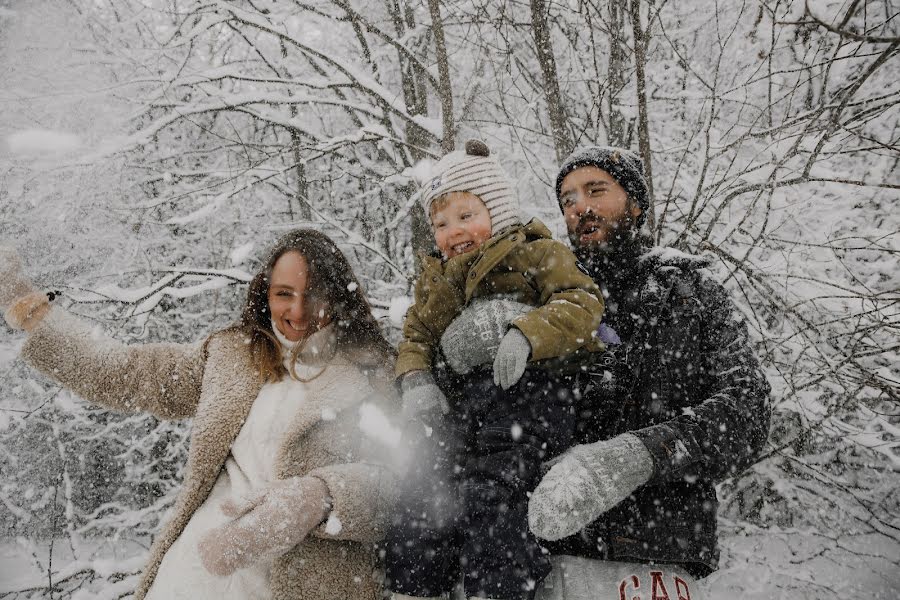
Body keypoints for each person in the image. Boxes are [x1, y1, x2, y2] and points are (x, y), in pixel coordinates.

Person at [439, 147, 772, 599]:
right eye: (568, 200)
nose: (581, 208)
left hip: (653, 561)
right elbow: (470, 423)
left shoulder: (691, 293)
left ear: (635, 203)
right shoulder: (542, 296)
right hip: (535, 563)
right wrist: (458, 354)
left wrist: (634, 458)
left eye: (596, 191)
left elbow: (747, 411)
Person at [0, 229, 399, 600]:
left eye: (314, 294)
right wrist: (27, 307)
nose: (298, 310)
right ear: (266, 293)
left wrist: (321, 498)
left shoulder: (377, 374)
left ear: (339, 295)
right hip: (192, 577)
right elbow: (122, 373)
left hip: (304, 584)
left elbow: (408, 487)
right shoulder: (232, 356)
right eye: (283, 294)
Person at [385, 140, 606, 600]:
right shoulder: (434, 280)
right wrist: (417, 380)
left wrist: (528, 331)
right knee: (423, 484)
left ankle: (500, 589)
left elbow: (581, 303)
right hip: (464, 403)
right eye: (441, 223)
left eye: (467, 216)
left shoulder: (534, 252)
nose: (453, 231)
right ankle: (417, 587)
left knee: (496, 490)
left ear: (498, 210)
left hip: (530, 395)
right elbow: (416, 337)